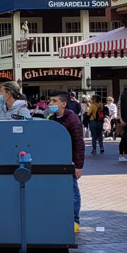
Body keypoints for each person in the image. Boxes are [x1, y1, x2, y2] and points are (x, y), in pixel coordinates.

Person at [48, 91, 85, 232]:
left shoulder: (72, 119)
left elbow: (79, 144)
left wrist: (78, 166)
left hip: (68, 162)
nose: (50, 103)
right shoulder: (51, 119)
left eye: (54, 101)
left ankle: (74, 221)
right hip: (54, 162)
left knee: (72, 191)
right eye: (50, 101)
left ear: (63, 103)